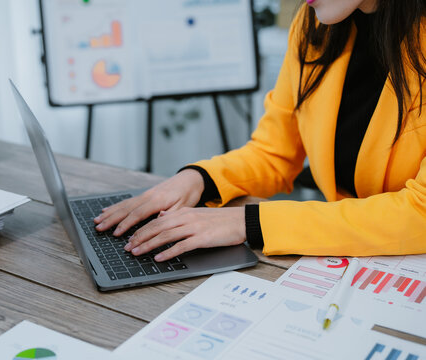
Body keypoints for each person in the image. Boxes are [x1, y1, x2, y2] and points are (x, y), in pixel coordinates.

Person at [94, 0, 426, 261]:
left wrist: (250, 222)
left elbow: (420, 214)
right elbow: (273, 153)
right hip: (345, 259)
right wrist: (199, 179)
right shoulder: (315, 26)